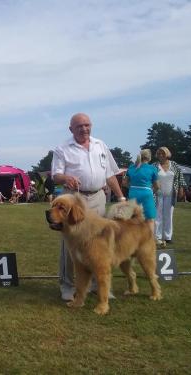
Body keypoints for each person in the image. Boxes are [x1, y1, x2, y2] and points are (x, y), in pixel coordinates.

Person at [51, 113, 125, 301]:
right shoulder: (62, 149)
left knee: (99, 245)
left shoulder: (101, 145)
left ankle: (97, 286)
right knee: (70, 247)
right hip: (74, 201)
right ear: (71, 129)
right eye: (79, 126)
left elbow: (110, 175)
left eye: (87, 125)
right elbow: (55, 175)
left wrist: (121, 196)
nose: (84, 129)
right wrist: (66, 178)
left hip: (99, 197)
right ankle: (67, 286)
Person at [153, 146, 186, 245]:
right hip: (157, 194)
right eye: (159, 153)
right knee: (157, 216)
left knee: (168, 216)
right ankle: (157, 237)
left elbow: (180, 178)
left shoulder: (174, 165)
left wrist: (181, 189)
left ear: (167, 154)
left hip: (171, 194)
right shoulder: (154, 165)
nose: (160, 155)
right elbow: (150, 178)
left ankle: (168, 237)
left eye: (162, 153)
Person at [124, 149, 159, 232]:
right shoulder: (152, 168)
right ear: (149, 158)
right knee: (150, 219)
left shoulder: (131, 167)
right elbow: (157, 186)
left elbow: (125, 183)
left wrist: (133, 188)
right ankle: (148, 241)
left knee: (132, 218)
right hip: (147, 194)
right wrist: (152, 192)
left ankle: (132, 240)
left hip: (133, 194)